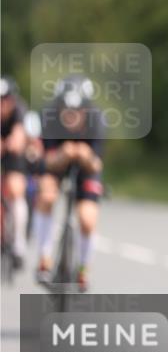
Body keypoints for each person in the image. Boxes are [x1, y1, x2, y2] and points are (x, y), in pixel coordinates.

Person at [34, 75, 104, 291]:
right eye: (66, 110)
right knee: (46, 195)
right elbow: (45, 159)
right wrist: (62, 156)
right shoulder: (49, 118)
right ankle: (44, 259)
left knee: (87, 218)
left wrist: (85, 156)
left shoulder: (97, 121)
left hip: (85, 168)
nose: (71, 115)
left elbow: (97, 164)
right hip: (56, 164)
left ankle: (83, 269)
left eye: (77, 111)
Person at [1, 76, 29, 269]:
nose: (2, 104)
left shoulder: (19, 110)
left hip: (13, 154)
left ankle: (18, 242)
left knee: (15, 188)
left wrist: (10, 142)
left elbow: (19, 138)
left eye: (6, 100)